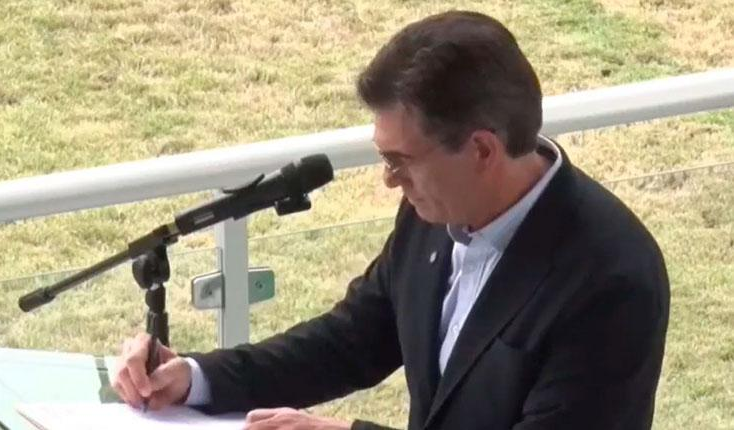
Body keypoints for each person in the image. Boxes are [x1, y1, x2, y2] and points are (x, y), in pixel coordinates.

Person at [113, 10, 670, 430]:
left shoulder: (611, 280)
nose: (388, 181)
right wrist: (195, 378)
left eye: (400, 161)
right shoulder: (435, 208)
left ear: (481, 150)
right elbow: (353, 339)